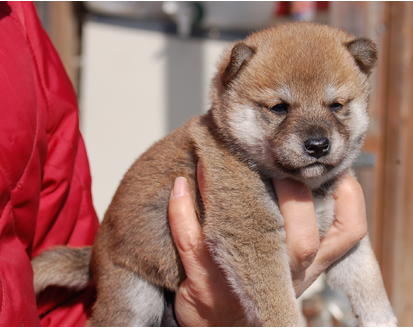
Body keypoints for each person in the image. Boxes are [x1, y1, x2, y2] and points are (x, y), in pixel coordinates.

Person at [0, 2, 367, 326]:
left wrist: (198, 316)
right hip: (131, 270)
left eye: (337, 106)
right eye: (277, 109)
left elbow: (57, 211)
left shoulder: (16, 20)